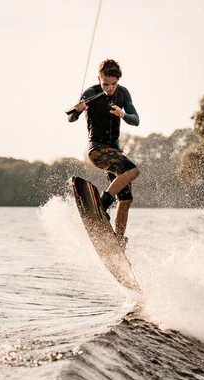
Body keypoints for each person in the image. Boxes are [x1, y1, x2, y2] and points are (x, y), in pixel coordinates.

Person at [68, 59, 140, 244]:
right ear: (99, 78)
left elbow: (135, 120)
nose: (109, 88)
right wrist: (79, 110)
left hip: (115, 151)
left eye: (113, 84)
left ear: (118, 81)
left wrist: (122, 114)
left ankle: (119, 240)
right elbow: (71, 118)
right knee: (133, 171)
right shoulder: (91, 93)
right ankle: (104, 202)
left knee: (126, 200)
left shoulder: (123, 94)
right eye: (105, 84)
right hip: (97, 149)